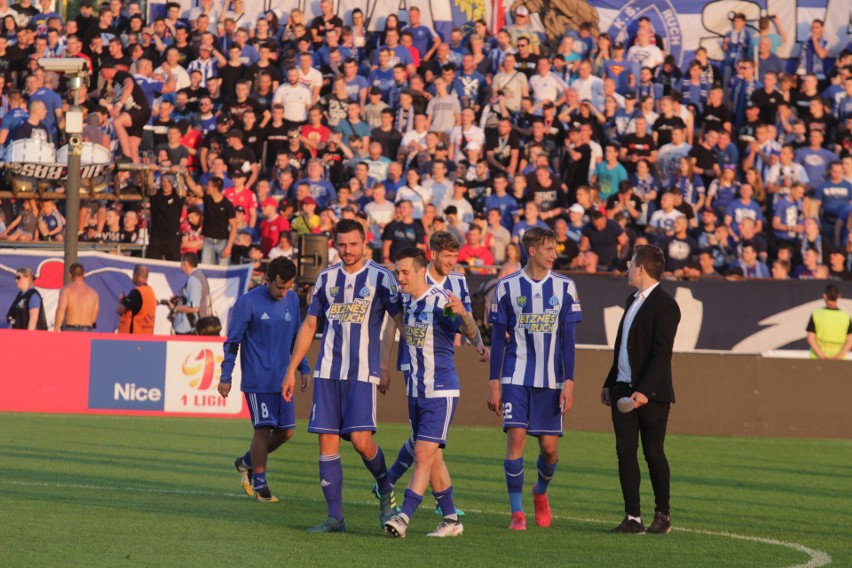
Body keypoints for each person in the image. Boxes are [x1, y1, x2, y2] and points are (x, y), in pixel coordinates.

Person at [282, 219, 402, 534]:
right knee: (327, 442)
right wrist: (292, 368)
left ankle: (384, 486)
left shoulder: (382, 277)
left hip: (362, 373)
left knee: (363, 443)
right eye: (342, 244)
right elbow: (309, 326)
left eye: (353, 244)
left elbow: (398, 320)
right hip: (327, 373)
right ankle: (335, 517)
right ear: (335, 244)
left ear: (365, 242)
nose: (347, 250)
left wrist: (390, 364)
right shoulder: (325, 278)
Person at [379, 247, 486, 538]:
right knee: (434, 458)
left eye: (404, 272)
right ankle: (451, 520)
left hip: (441, 388)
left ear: (419, 271)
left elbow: (461, 324)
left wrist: (466, 321)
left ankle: (403, 516)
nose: (399, 277)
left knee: (424, 455)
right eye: (396, 272)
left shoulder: (440, 302)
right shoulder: (406, 302)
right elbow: (388, 317)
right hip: (415, 389)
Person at [487, 227, 583, 530]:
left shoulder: (566, 287)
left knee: (549, 448)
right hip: (515, 375)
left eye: (555, 249)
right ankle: (517, 512)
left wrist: (569, 381)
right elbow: (498, 340)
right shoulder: (507, 287)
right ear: (532, 250)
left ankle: (540, 493)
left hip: (552, 380)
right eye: (549, 249)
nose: (554, 254)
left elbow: (569, 338)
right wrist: (494, 382)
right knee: (515, 438)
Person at [601, 245, 680, 535]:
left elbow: (662, 354)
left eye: (630, 264)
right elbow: (623, 348)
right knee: (625, 452)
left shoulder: (666, 305)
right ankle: (632, 517)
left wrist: (644, 390)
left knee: (653, 452)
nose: (627, 268)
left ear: (642, 268)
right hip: (623, 389)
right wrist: (611, 382)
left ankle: (663, 514)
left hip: (652, 395)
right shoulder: (631, 300)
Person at [221, 258, 311, 502]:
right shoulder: (247, 303)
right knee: (263, 428)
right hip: (257, 380)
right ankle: (261, 486)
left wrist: (303, 367)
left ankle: (246, 462)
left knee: (287, 432)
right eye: (279, 287)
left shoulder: (292, 300)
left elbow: (296, 336)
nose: (284, 293)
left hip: (283, 379)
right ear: (267, 280)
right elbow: (232, 342)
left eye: (288, 287)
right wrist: (225, 375)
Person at [169, 252, 212, 335]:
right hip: (199, 324)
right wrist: (181, 299)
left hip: (190, 327)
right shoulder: (201, 276)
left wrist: (175, 308)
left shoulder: (193, 279)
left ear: (185, 263)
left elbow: (194, 307)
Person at [806, 284, 852, 360]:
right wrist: (838, 357)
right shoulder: (846, 317)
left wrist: (823, 357)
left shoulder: (816, 314)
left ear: (824, 296)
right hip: (840, 362)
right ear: (838, 296)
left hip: (817, 360)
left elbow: (810, 339)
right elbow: (850, 341)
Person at [116, 264, 156, 334]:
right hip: (147, 333)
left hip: (134, 335)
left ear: (136, 275)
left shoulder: (137, 292)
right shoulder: (151, 292)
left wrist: (123, 302)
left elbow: (120, 310)